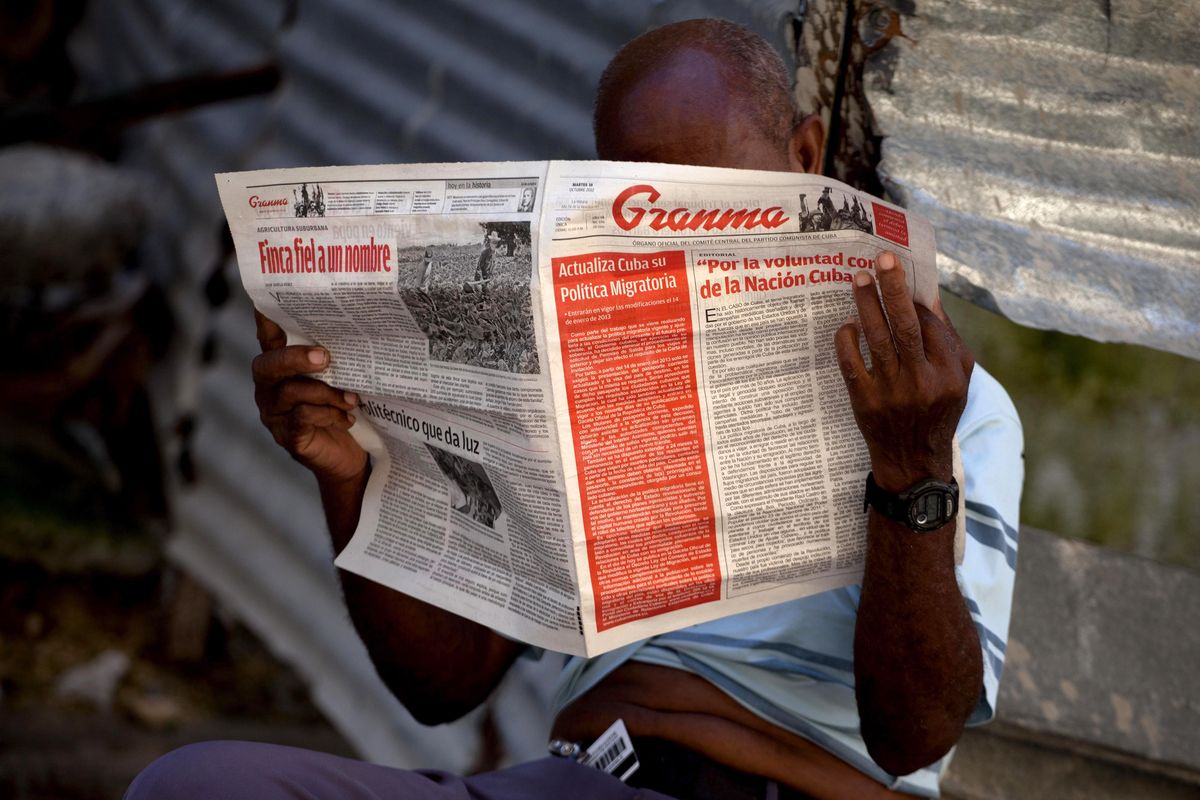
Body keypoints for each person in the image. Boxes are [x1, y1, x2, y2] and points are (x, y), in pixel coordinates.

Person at [128, 18, 1021, 800]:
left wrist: (911, 468)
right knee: (192, 784)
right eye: (641, 205)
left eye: (705, 198)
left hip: (790, 787)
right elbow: (441, 684)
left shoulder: (943, 402)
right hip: (577, 779)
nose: (674, 235)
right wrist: (350, 469)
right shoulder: (576, 372)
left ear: (802, 155)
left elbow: (915, 734)